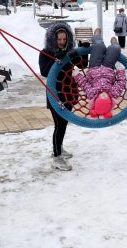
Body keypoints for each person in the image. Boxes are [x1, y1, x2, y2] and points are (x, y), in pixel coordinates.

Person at [39, 22, 88, 171]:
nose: (61, 42)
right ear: (53, 39)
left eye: (64, 39)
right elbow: (44, 72)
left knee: (64, 123)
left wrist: (84, 51)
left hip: (69, 92)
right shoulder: (45, 53)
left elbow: (82, 65)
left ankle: (59, 148)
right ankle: (57, 156)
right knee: (59, 124)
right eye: (59, 40)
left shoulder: (70, 52)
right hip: (55, 94)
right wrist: (56, 59)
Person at [74, 30, 126, 119]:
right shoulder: (114, 93)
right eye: (105, 98)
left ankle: (97, 36)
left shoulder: (92, 93)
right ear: (110, 101)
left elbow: (84, 84)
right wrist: (120, 73)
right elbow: (121, 83)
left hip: (94, 67)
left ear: (95, 100)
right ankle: (114, 43)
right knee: (115, 49)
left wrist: (77, 75)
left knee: (99, 46)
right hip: (108, 68)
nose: (103, 95)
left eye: (101, 98)